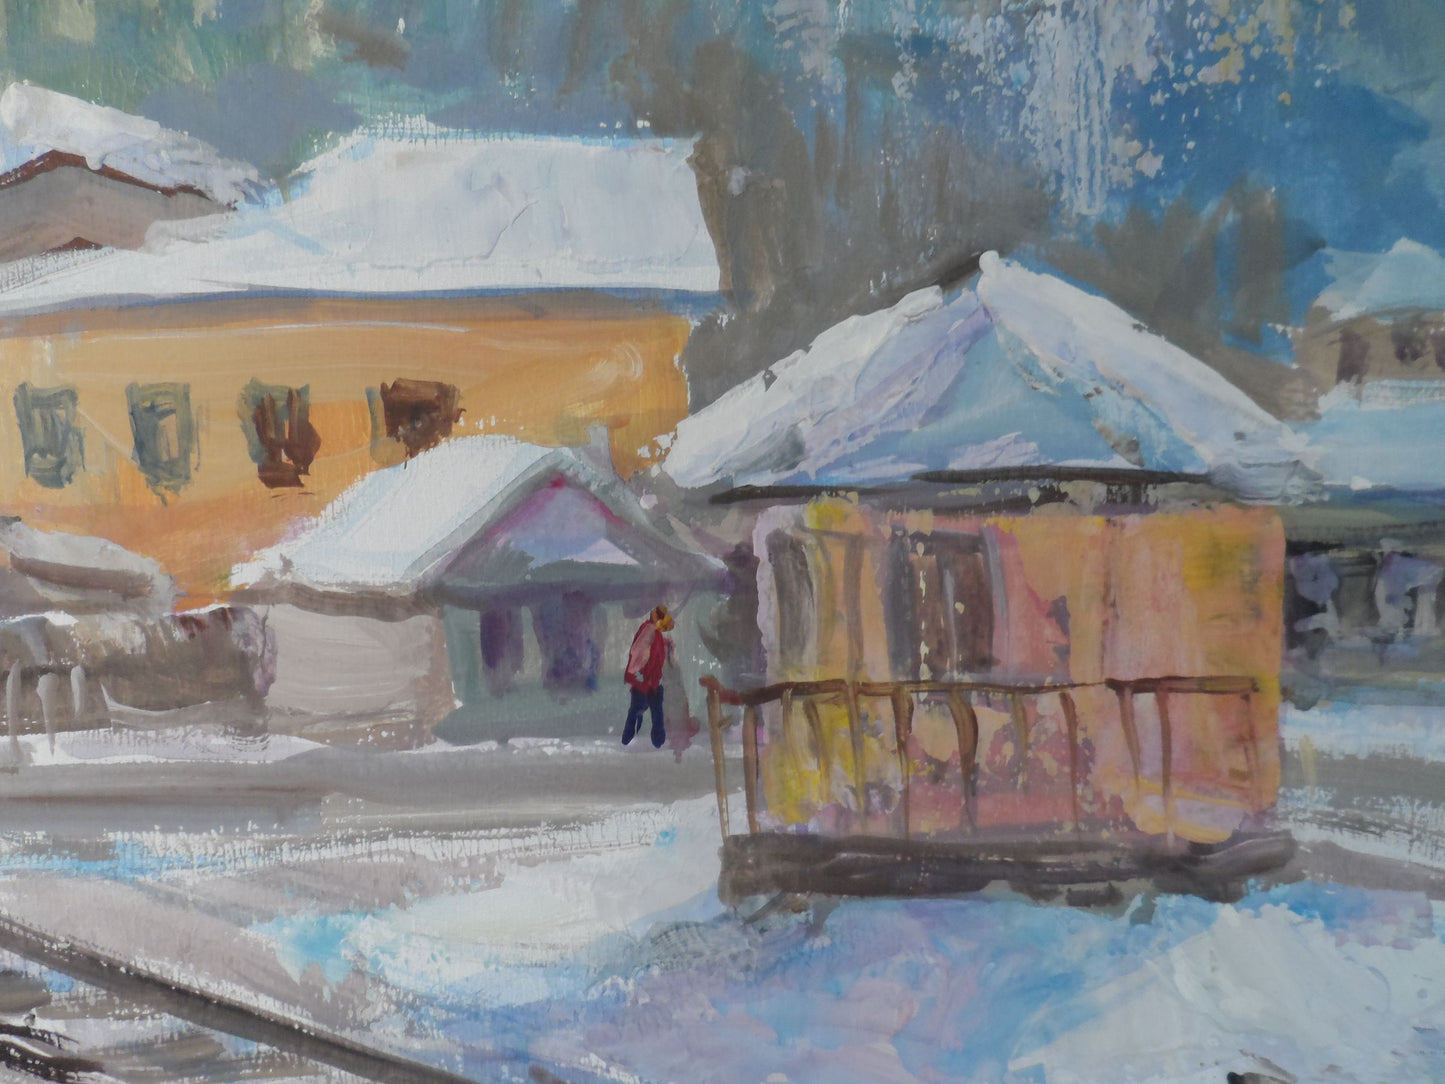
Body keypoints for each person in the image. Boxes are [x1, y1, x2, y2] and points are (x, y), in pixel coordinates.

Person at [623, 605, 674, 748]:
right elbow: (638, 652)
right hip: (644, 682)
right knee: (638, 710)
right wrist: (636, 674)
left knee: (653, 711)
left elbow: (655, 654)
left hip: (652, 682)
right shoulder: (648, 631)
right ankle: (630, 736)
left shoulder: (655, 633)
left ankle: (656, 739)